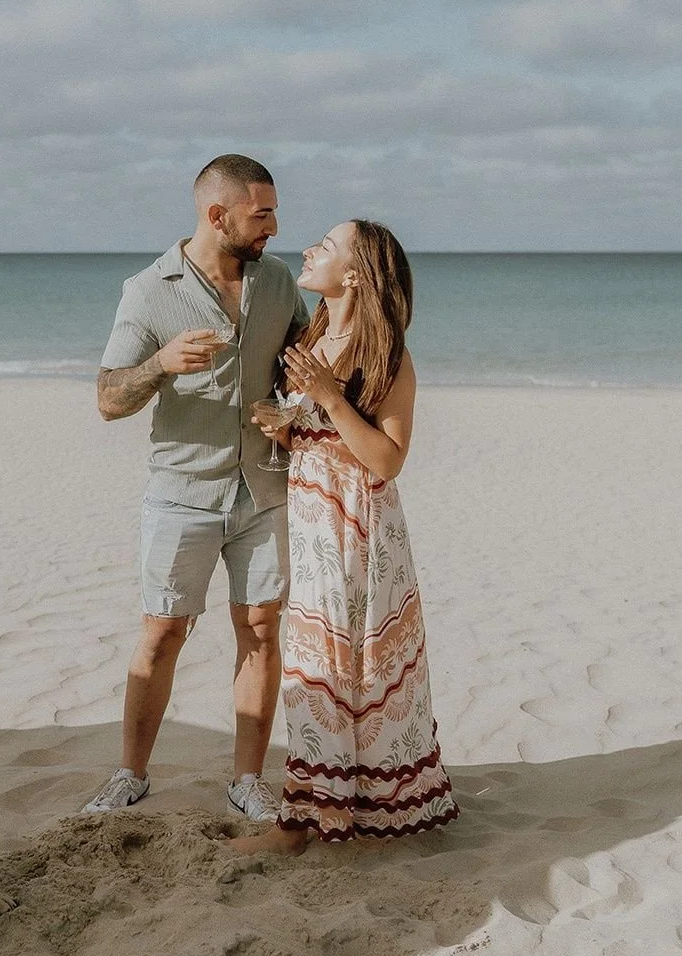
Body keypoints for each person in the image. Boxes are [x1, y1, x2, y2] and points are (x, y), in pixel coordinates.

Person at [83, 155, 309, 820]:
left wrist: (296, 409)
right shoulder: (149, 289)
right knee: (164, 629)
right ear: (218, 215)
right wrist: (159, 362)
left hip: (265, 486)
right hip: (182, 491)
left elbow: (307, 359)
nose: (273, 224)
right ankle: (130, 772)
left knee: (261, 628)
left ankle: (246, 779)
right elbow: (105, 398)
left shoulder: (276, 282)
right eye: (261, 213)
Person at [231, 219, 459, 853]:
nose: (308, 249)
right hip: (309, 522)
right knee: (319, 664)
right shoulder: (314, 336)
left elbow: (385, 460)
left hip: (356, 528)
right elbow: (316, 437)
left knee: (330, 666)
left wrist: (329, 398)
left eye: (325, 246)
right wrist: (283, 423)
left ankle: (299, 824)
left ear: (355, 275)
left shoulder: (386, 353)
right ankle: (326, 808)